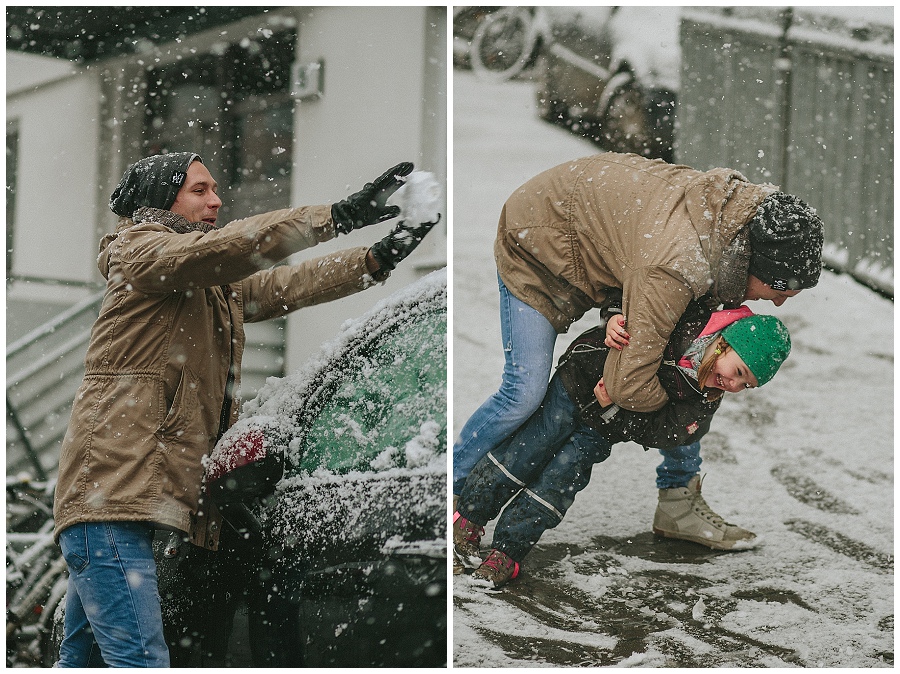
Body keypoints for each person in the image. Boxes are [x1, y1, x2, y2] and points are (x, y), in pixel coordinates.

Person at [52, 152, 438, 667]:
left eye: (214, 188)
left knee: (84, 661)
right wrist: (335, 217)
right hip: (112, 499)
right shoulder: (139, 254)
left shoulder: (204, 282)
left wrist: (380, 256)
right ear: (158, 200)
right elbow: (229, 248)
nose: (215, 200)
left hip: (124, 503)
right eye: (198, 190)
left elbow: (284, 286)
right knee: (140, 661)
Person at [452, 152, 823, 540]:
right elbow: (626, 382)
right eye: (781, 290)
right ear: (753, 265)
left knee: (692, 367)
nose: (779, 303)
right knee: (524, 392)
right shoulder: (679, 267)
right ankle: (453, 493)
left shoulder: (733, 226)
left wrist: (618, 312)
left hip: (606, 239)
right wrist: (679, 414)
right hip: (541, 241)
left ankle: (678, 505)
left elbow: (641, 265)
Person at [453, 295, 791, 587]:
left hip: (604, 427)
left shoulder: (702, 399)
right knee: (524, 451)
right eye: (740, 372)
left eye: (746, 386)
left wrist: (614, 407)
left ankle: (508, 552)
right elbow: (638, 290)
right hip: (577, 382)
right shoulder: (689, 316)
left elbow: (663, 432)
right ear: (725, 345)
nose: (734, 385)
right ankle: (468, 520)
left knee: (558, 480)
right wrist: (613, 315)